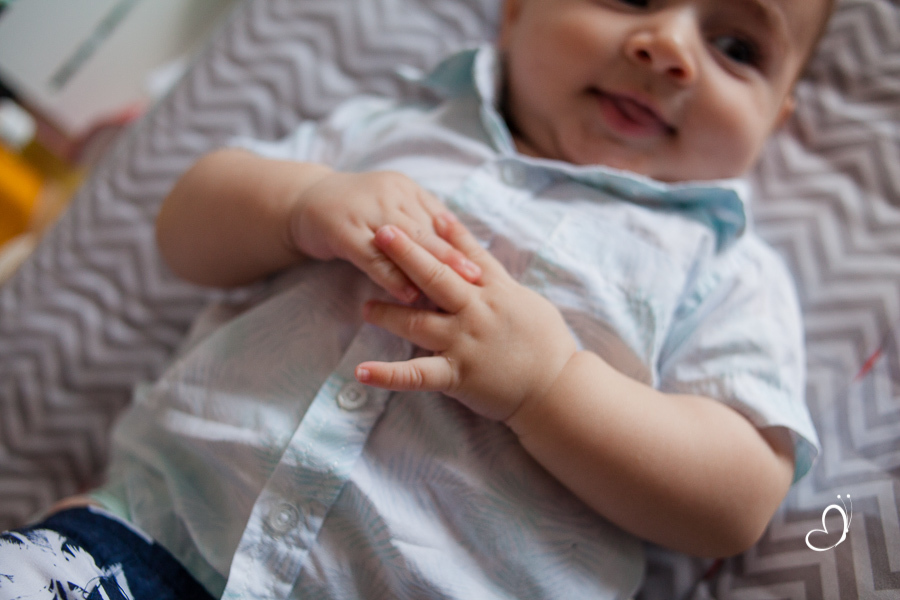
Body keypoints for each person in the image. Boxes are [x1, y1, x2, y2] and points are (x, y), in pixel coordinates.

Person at [1, 0, 832, 598]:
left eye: (737, 45)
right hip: (152, 542)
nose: (667, 46)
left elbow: (738, 499)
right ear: (513, 13)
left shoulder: (722, 265)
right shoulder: (402, 125)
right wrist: (299, 206)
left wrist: (550, 386)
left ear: (777, 116)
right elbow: (184, 228)